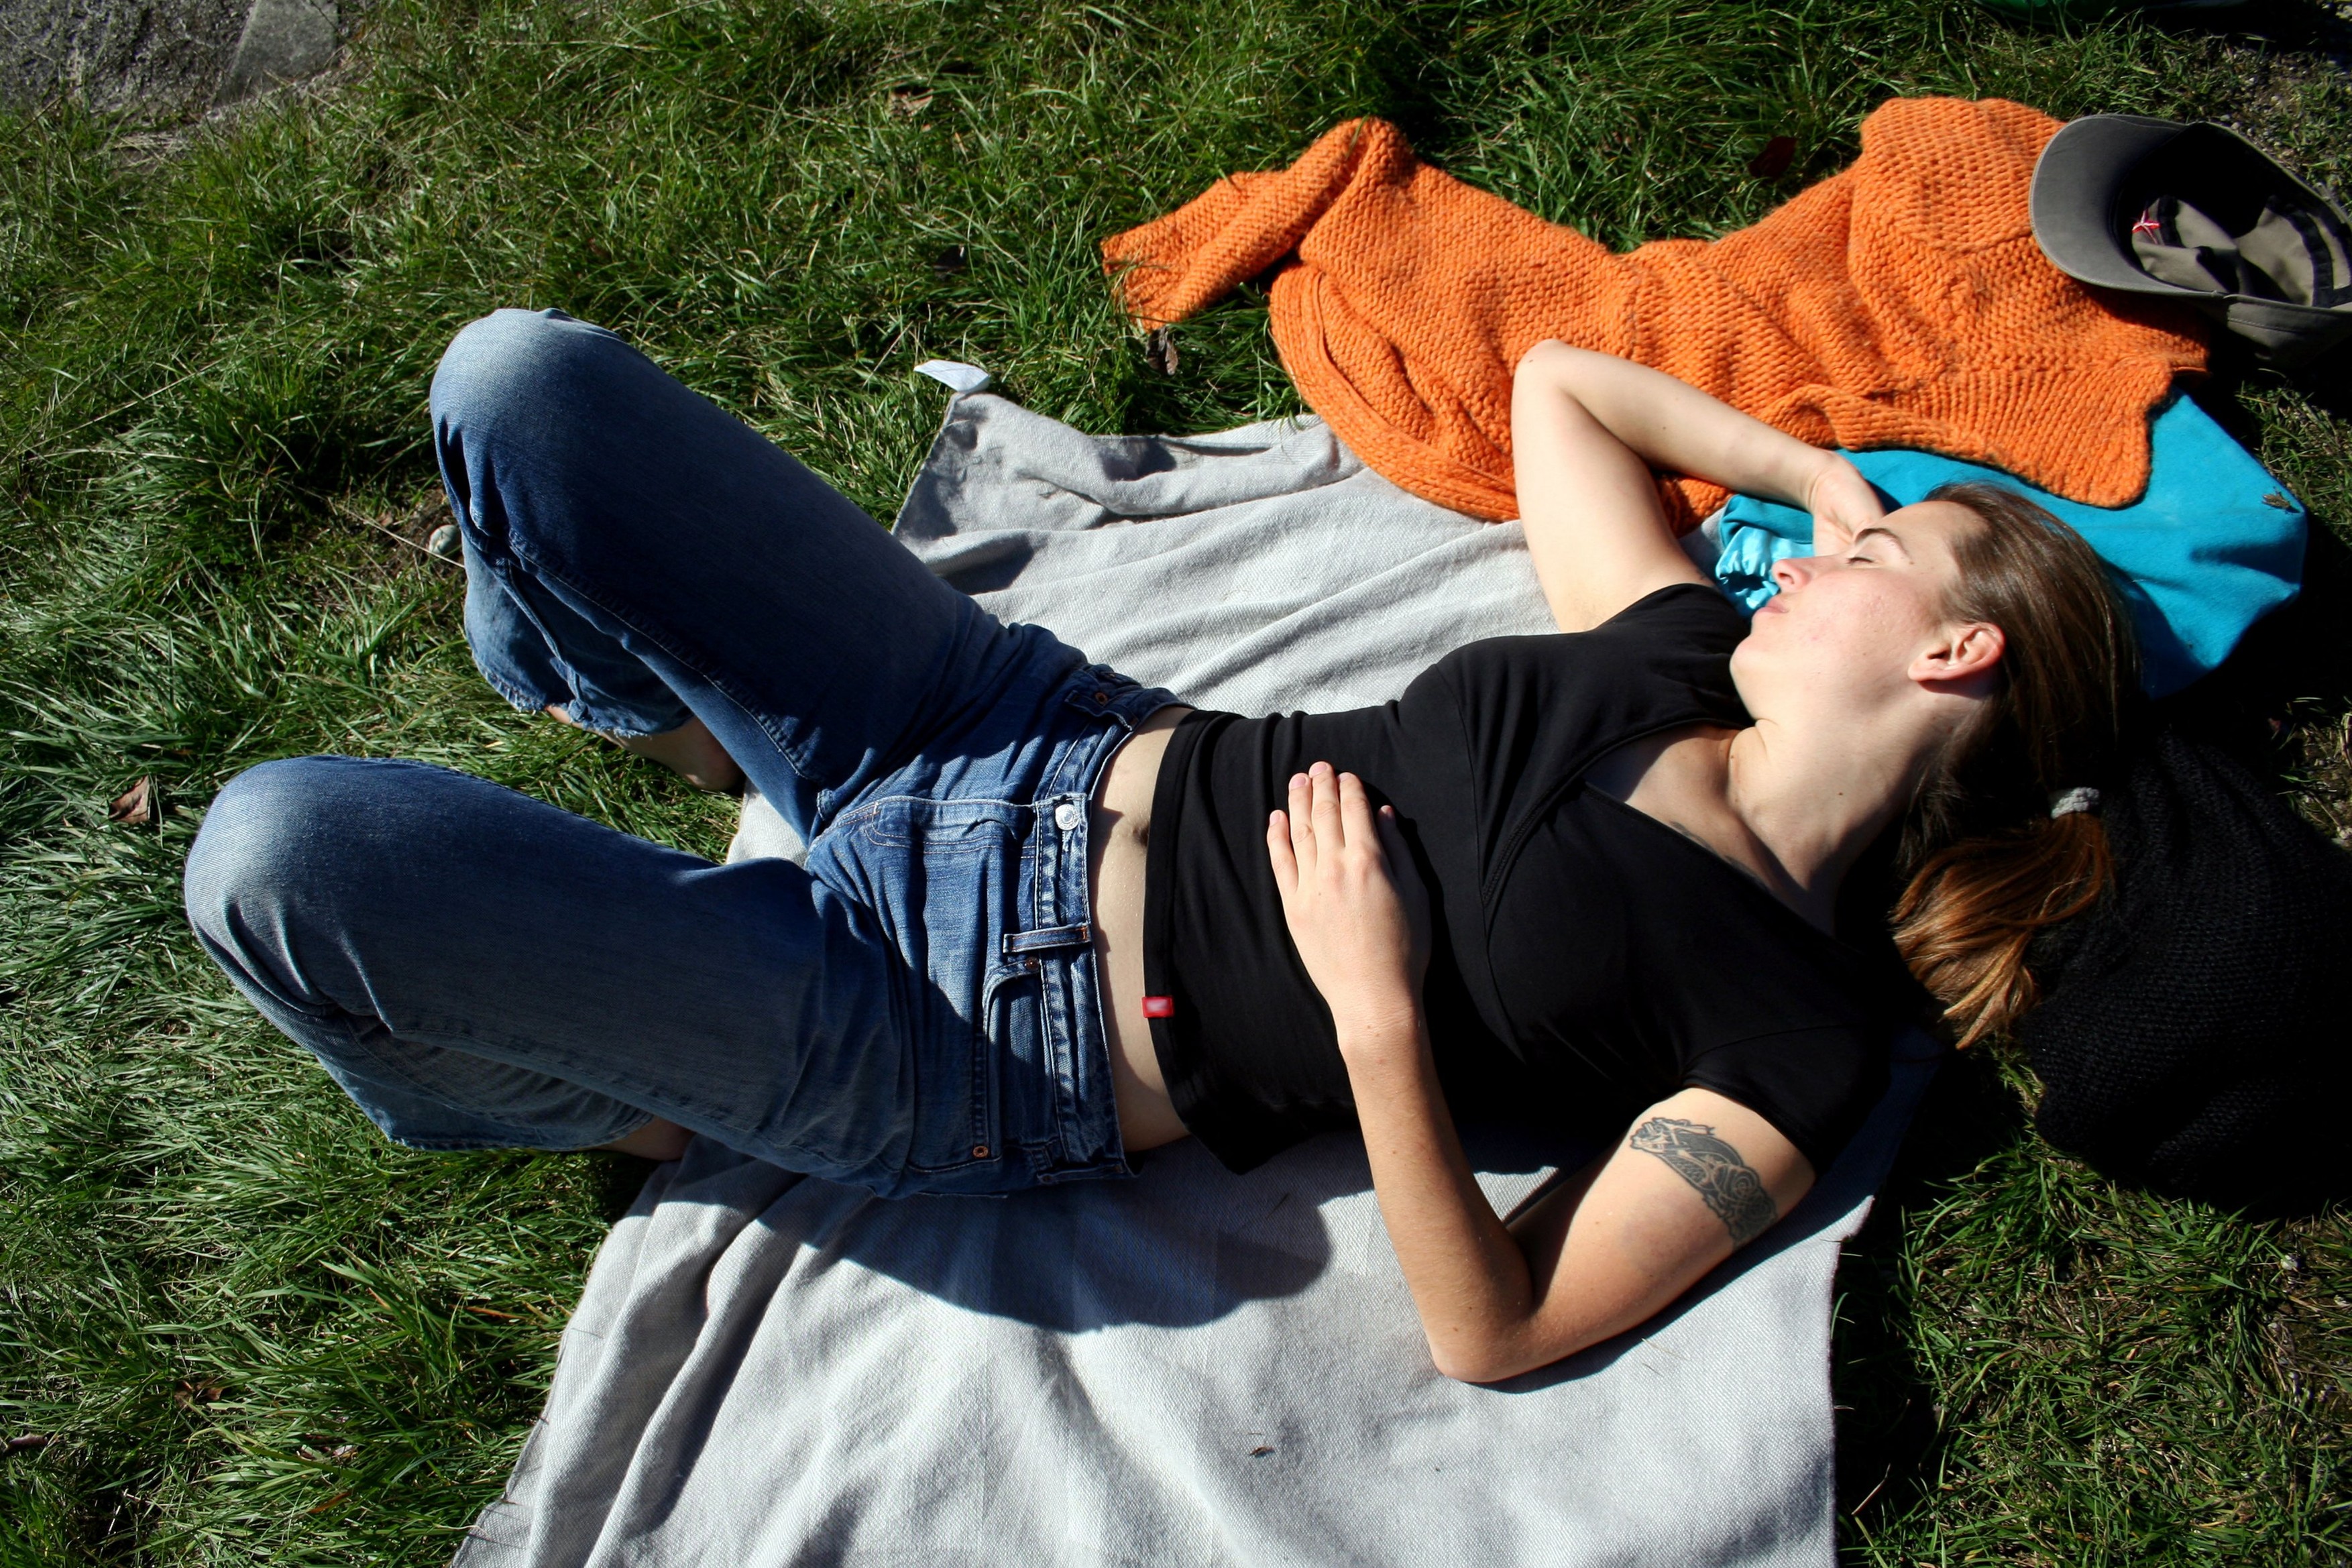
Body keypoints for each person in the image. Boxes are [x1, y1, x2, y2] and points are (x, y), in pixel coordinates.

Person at [183, 311, 2135, 1383]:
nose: (1804, 551)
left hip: (953, 1035)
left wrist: (1376, 1018)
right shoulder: (1673, 655)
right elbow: (1560, 386)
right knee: (516, 387)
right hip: (1001, 721)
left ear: (1951, 649)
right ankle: (665, 719)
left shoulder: (1796, 1031)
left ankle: (582, 1102)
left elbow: (1500, 1327)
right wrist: (1813, 471)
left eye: (1866, 557)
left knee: (273, 854)